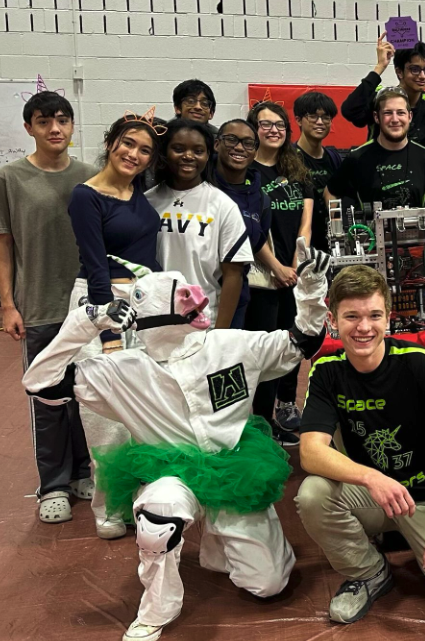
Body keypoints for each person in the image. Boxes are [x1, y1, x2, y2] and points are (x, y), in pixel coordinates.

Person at [22, 238, 331, 641]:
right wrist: (87, 320)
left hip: (233, 469)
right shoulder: (121, 370)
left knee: (268, 583)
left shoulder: (230, 346)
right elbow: (39, 384)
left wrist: (311, 290)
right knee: (157, 516)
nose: (192, 298)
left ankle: (221, 543)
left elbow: (300, 343)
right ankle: (156, 608)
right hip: (170, 473)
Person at [295, 265, 425, 626]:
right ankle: (370, 572)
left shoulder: (418, 363)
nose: (364, 327)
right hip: (371, 496)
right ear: (332, 320)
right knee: (312, 494)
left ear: (388, 318)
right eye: (351, 316)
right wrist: (372, 478)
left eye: (374, 315)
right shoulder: (326, 371)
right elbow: (310, 451)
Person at [0, 91, 96, 526]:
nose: (55, 128)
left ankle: (82, 472)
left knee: (86, 396)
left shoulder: (90, 176)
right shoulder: (10, 178)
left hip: (86, 308)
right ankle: (53, 484)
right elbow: (4, 246)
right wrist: (7, 304)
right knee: (49, 400)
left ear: (72, 125)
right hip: (38, 306)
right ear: (29, 128)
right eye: (44, 121)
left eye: (62, 120)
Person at [68, 112, 165, 539]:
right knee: (104, 417)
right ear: (111, 143)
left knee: (144, 410)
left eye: (144, 150)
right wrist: (108, 330)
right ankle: (109, 507)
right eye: (127, 143)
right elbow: (95, 266)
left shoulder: (136, 190)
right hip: (102, 302)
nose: (134, 154)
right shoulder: (86, 196)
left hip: (143, 302)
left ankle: (142, 498)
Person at [246, 101, 316, 438]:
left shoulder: (297, 168)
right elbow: (247, 228)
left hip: (294, 272)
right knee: (265, 349)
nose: (273, 130)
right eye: (265, 124)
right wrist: (275, 266)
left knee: (293, 343)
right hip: (262, 277)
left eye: (280, 125)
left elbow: (306, 220)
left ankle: (287, 406)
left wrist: (297, 264)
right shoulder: (247, 172)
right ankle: (262, 420)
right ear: (253, 129)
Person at [147, 119, 253, 328]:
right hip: (151, 319)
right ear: (165, 152)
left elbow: (233, 274)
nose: (188, 156)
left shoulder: (222, 205)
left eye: (198, 151)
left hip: (202, 322)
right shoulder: (147, 201)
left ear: (207, 155)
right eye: (178, 149)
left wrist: (219, 334)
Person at [341, 37, 425, 195]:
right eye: (415, 69)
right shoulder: (381, 98)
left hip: (414, 185)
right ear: (399, 72)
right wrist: (380, 67)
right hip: (375, 180)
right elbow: (350, 111)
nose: (423, 76)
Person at [212, 118, 283, 330]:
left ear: (254, 151)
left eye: (248, 143)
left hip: (235, 298)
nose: (239, 147)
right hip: (194, 295)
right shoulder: (200, 188)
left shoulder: (261, 200)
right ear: (217, 144)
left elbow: (256, 240)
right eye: (231, 140)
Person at [325, 87, 425, 210]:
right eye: (388, 113)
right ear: (376, 117)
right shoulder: (357, 158)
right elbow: (330, 192)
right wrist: (338, 219)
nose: (395, 119)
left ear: (409, 116)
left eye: (400, 113)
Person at [294, 91, 342, 252]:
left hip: (331, 244)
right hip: (300, 244)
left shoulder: (334, 157)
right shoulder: (289, 158)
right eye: (313, 116)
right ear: (298, 120)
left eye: (326, 117)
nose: (320, 122)